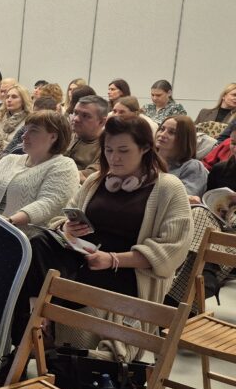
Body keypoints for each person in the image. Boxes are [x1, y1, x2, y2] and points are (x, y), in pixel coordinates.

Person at [12, 116, 192, 352]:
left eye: (123, 151)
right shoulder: (96, 181)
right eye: (108, 150)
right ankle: (32, 327)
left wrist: (112, 259)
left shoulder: (169, 188)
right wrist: (67, 228)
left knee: (46, 284)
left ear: (145, 148)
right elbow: (61, 219)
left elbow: (172, 249)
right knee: (35, 245)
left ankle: (35, 337)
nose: (114, 158)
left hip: (127, 273)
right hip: (83, 260)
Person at [0, 111, 78, 227]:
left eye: (33, 131)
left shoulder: (64, 165)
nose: (24, 136)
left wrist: (9, 221)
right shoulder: (9, 160)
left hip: (23, 235)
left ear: (53, 137)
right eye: (26, 130)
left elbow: (49, 203)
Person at [155, 115, 207, 199]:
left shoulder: (192, 167)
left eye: (172, 132)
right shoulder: (145, 157)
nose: (162, 134)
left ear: (184, 138)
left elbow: (182, 200)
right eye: (162, 129)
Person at [65, 94, 109, 181]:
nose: (76, 119)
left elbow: (89, 177)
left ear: (101, 122)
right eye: (75, 113)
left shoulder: (107, 147)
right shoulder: (66, 135)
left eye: (85, 116)